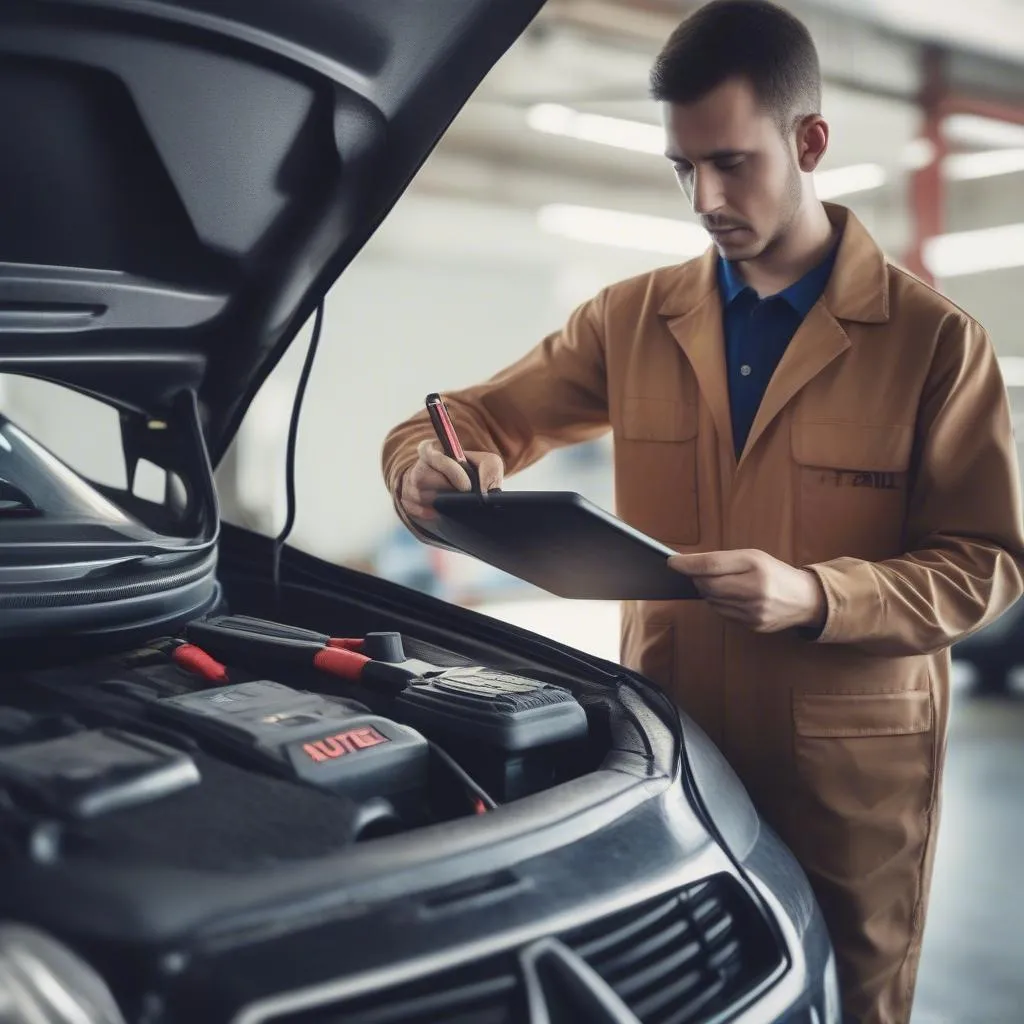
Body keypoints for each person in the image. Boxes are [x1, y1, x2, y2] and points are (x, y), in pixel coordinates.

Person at [380, 2, 1024, 1021]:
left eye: (730, 162)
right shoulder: (631, 320)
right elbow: (471, 418)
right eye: (683, 168)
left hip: (850, 766)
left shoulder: (931, 344)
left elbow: (984, 562)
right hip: (674, 741)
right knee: (681, 987)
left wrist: (816, 595)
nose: (703, 197)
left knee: (844, 1000)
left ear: (809, 141)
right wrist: (426, 465)